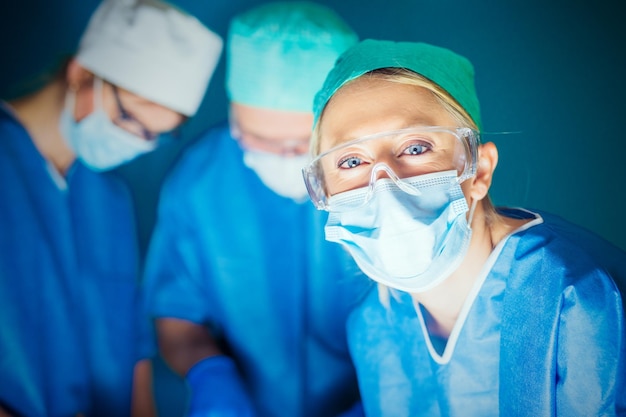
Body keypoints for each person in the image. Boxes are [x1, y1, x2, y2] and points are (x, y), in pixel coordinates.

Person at [302, 39, 626, 416]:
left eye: (416, 147)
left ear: (480, 170)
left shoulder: (579, 299)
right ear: (323, 191)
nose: (384, 186)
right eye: (351, 160)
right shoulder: (375, 327)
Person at [142, 2, 370, 416]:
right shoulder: (199, 182)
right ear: (233, 115)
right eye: (257, 140)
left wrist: (385, 396)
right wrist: (211, 377)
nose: (283, 159)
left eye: (304, 145)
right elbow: (176, 315)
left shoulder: (382, 175)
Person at [0, 0, 222, 415]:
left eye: (156, 135)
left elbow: (132, 345)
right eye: (128, 119)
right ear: (82, 73)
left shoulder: (108, 199)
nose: (136, 143)